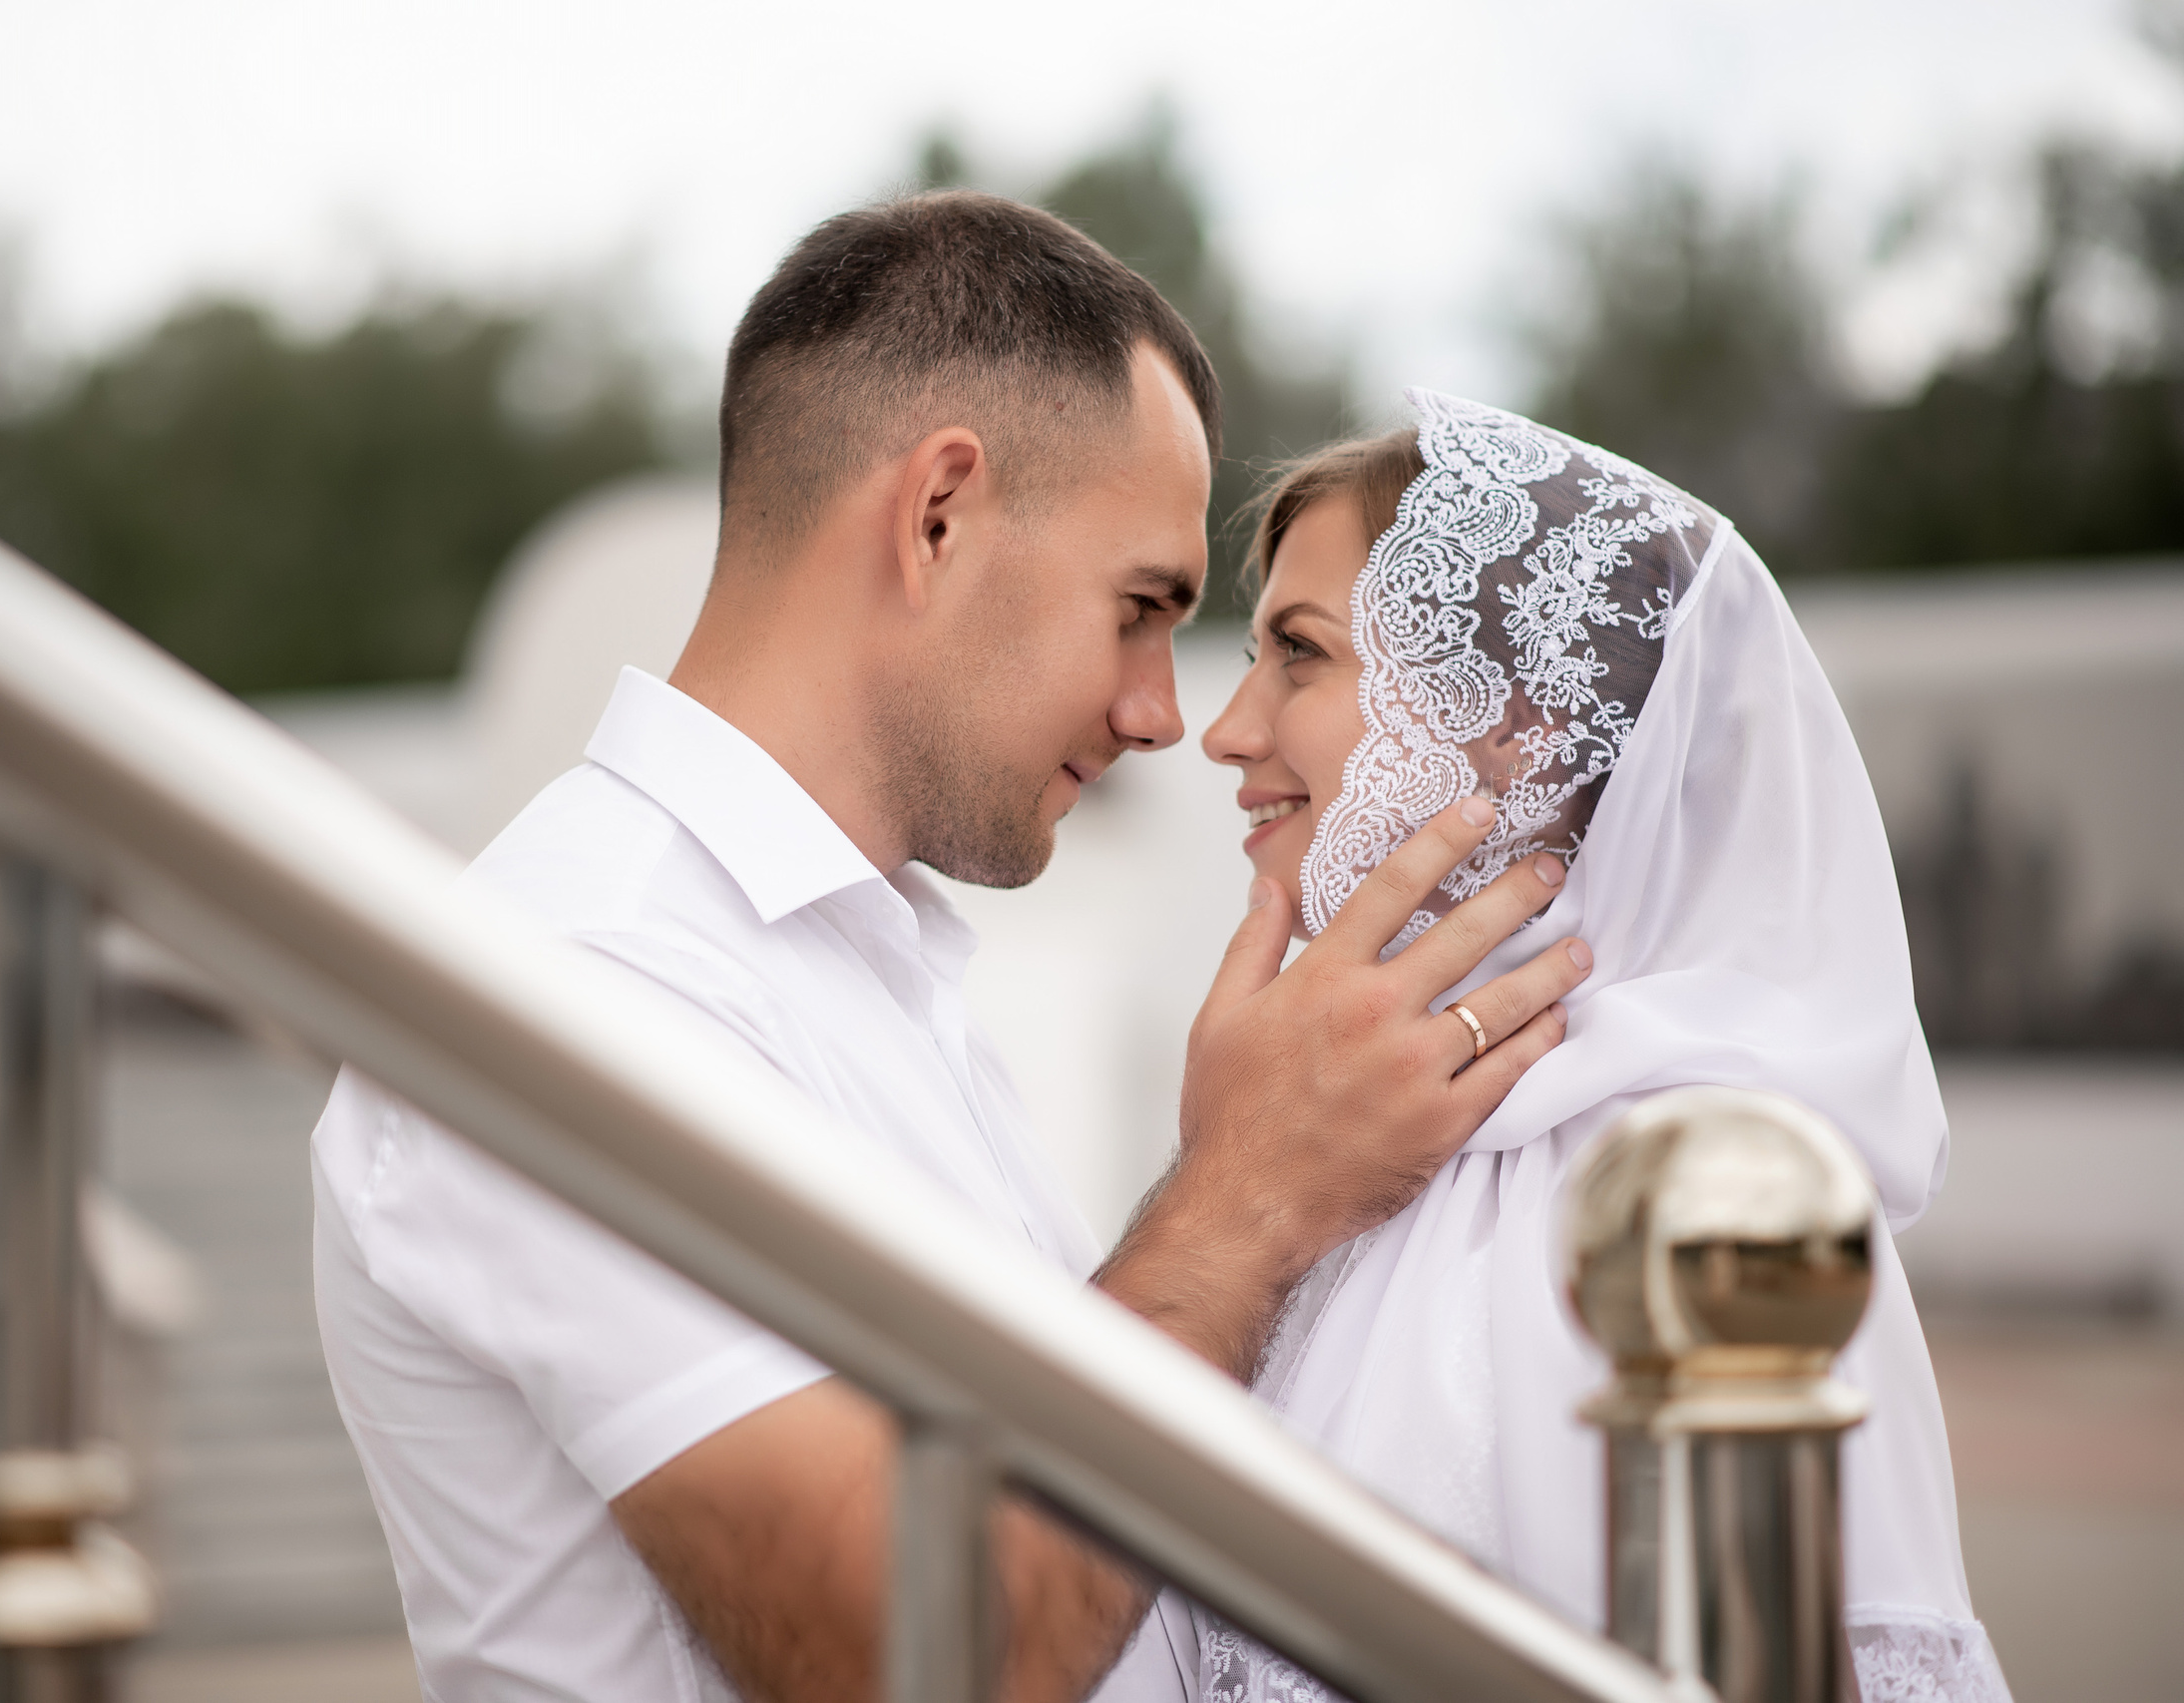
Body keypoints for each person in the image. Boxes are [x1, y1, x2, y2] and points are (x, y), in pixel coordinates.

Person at [311, 196, 1592, 1702]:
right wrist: (1245, 1197)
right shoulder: (574, 991)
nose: (1159, 712)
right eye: (1140, 609)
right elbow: (924, 1657)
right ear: (938, 518)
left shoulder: (870, 962)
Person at [1098, 391, 2009, 1702]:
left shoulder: (1711, 1185)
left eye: (1298, 654)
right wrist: (1223, 1170)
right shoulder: (1360, 1143)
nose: (1228, 730)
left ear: (1524, 726)